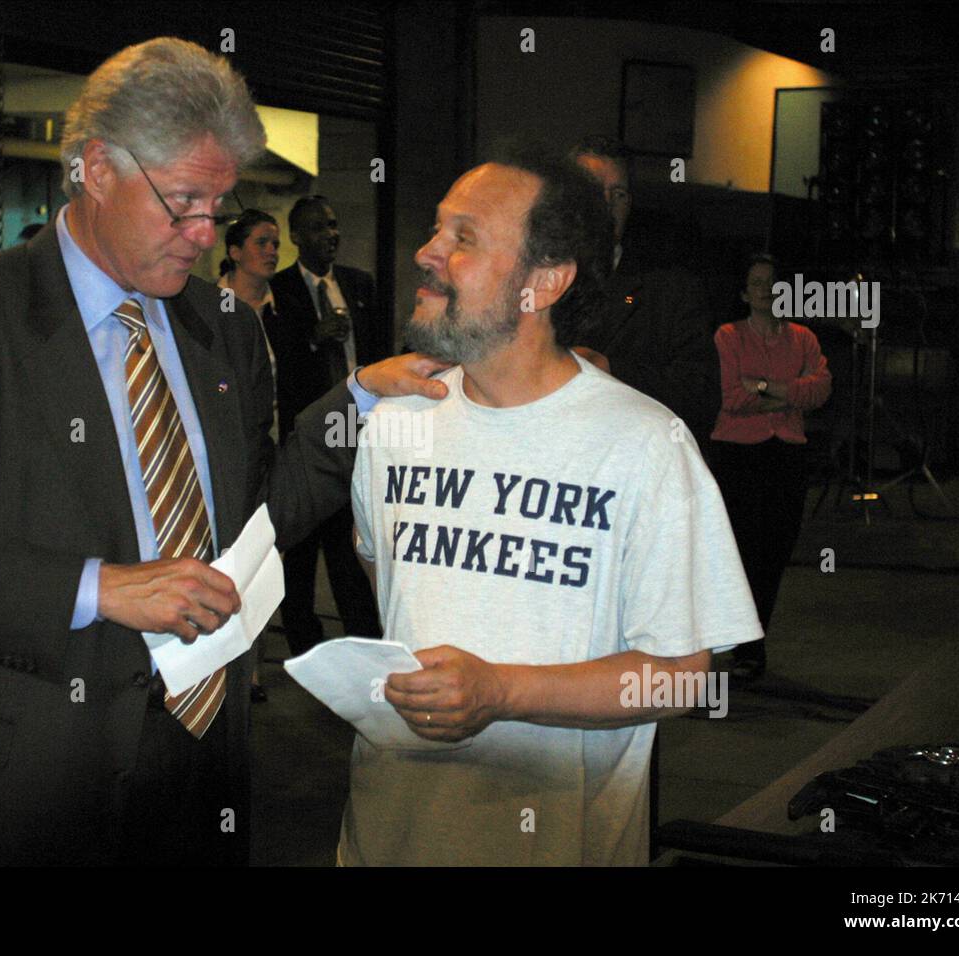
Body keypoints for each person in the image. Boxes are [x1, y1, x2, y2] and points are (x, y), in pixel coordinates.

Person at [0, 37, 445, 866]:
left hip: (202, 763)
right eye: (183, 202)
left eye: (219, 207)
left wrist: (360, 400)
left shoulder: (222, 328)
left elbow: (257, 516)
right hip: (31, 770)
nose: (204, 235)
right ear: (94, 168)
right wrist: (100, 587)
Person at [341, 146, 762, 866]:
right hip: (386, 837)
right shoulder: (394, 425)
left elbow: (682, 673)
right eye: (438, 231)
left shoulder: (645, 446)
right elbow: (389, 595)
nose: (427, 253)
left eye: (463, 238)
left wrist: (503, 691)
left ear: (544, 282)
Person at [270, 196, 389, 654]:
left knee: (351, 540)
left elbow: (379, 351)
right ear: (297, 236)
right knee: (300, 550)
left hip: (357, 430)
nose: (331, 235)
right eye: (319, 228)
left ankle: (363, 641)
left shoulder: (359, 284)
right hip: (307, 435)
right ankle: (303, 643)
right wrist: (311, 338)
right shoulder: (279, 290)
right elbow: (277, 355)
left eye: (335, 225)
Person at [710, 254, 831, 682]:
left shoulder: (803, 338)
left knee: (776, 549)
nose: (764, 289)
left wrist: (762, 386)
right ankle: (744, 646)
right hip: (739, 453)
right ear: (744, 293)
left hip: (786, 452)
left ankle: (752, 639)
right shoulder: (728, 336)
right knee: (741, 550)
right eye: (756, 282)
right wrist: (789, 395)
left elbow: (819, 390)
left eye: (771, 282)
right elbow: (730, 398)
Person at [571, 138, 720, 448]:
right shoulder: (521, 282)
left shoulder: (671, 290)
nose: (607, 205)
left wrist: (611, 371)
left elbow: (700, 395)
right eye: (594, 191)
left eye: (619, 194)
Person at [218, 209, 282, 703]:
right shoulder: (208, 309)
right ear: (235, 251)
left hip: (272, 449)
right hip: (229, 453)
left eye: (275, 243)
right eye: (260, 242)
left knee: (262, 558)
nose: (271, 251)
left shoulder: (283, 310)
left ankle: (253, 669)